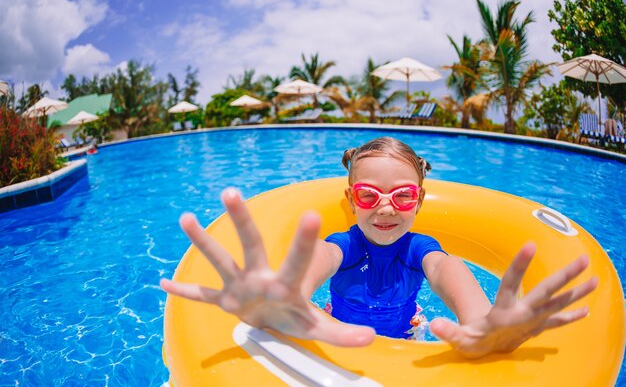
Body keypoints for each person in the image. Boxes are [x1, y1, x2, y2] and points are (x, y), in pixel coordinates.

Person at [160, 137, 597, 358]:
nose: (386, 209)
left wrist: (483, 320)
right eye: (369, 195)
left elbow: (448, 269)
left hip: (409, 332)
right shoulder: (344, 245)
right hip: (335, 329)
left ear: (419, 201)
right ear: (351, 202)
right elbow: (321, 259)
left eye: (403, 196)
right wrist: (288, 293)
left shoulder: (419, 249)